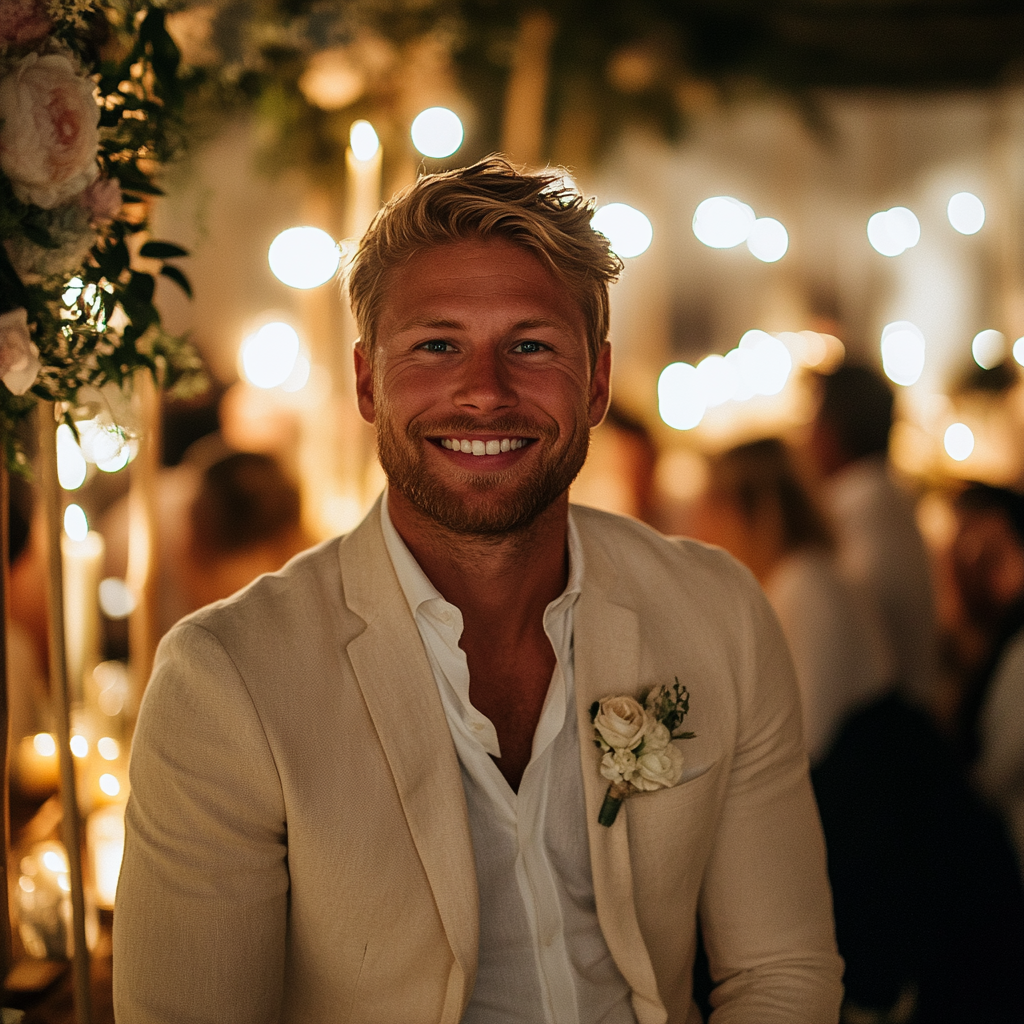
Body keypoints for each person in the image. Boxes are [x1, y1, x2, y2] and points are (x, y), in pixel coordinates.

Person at [113, 157, 843, 1024]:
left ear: (598, 381)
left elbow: (782, 973)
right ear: (366, 382)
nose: (485, 392)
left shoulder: (716, 612)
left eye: (530, 346)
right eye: (436, 346)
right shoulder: (227, 680)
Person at [694, 436, 890, 764]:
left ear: (750, 510)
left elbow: (808, 734)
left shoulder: (806, 586)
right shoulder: (803, 577)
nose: (701, 528)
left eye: (714, 507)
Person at [807, 363, 940, 711]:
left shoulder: (864, 514)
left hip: (887, 724)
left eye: (811, 422)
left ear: (831, 431)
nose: (804, 438)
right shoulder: (885, 500)